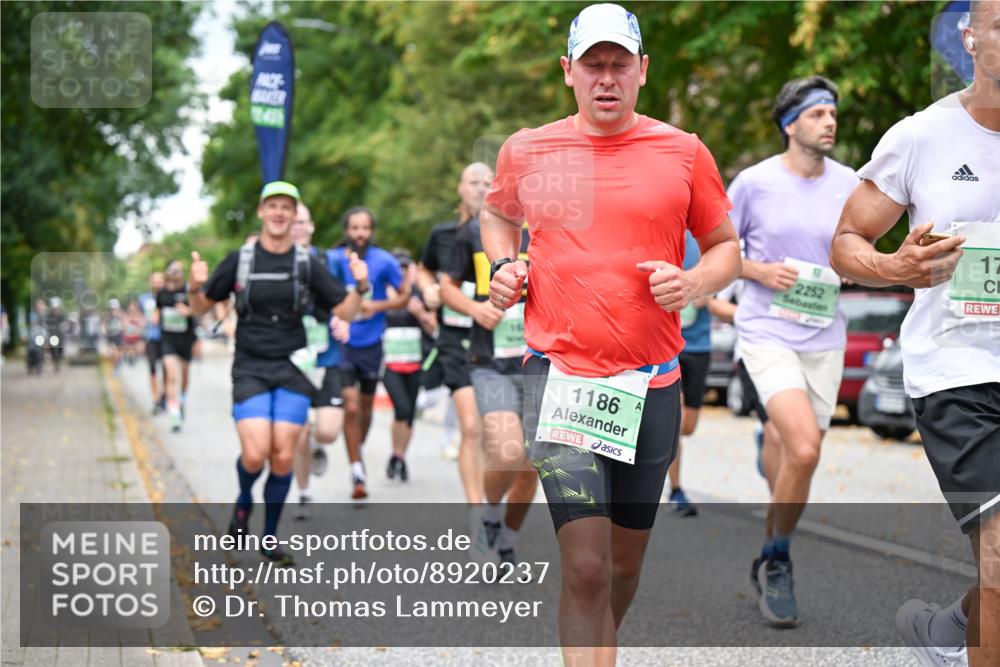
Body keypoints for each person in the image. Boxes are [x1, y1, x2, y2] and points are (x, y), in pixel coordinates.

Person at [482, 5, 740, 659]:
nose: (606, 77)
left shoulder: (684, 152)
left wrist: (694, 284)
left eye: (619, 64)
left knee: (623, 568)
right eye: (592, 64)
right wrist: (505, 266)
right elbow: (498, 216)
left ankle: (601, 643)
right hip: (560, 378)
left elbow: (725, 248)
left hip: (651, 384)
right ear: (567, 71)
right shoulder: (528, 149)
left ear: (642, 70)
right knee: (588, 566)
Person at [830, 2, 999, 662]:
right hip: (958, 372)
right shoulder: (922, 137)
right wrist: (894, 266)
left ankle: (951, 630)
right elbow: (847, 240)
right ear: (970, 38)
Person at [727, 74, 859, 627]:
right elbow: (718, 253)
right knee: (802, 449)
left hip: (825, 337)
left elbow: (863, 246)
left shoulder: (851, 183)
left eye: (833, 113)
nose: (830, 122)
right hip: (767, 331)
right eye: (817, 114)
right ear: (789, 124)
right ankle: (779, 561)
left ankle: (770, 547)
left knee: (803, 454)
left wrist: (854, 265)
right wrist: (759, 271)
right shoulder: (753, 183)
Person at [188, 181, 368, 565]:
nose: (279, 213)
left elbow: (346, 312)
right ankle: (243, 501)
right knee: (255, 454)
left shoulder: (306, 263)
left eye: (287, 207)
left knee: (283, 456)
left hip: (293, 367)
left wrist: (362, 286)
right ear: (261, 211)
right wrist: (193, 286)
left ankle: (269, 537)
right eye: (273, 206)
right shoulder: (241, 259)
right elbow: (201, 307)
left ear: (294, 214)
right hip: (250, 366)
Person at [442, 214, 538, 569]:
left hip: (542, 364)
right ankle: (490, 516)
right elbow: (447, 286)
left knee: (531, 468)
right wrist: (475, 308)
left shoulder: (555, 225)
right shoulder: (476, 229)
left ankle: (508, 540)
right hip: (491, 363)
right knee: (508, 450)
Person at [418, 163, 492, 530]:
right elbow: (424, 269)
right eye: (474, 182)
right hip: (455, 338)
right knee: (471, 426)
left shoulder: (506, 233)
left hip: (495, 340)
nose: (481, 188)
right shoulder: (443, 233)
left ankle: (492, 503)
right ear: (461, 189)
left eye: (488, 182)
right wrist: (429, 290)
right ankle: (477, 514)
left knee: (494, 432)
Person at [329, 207, 407, 500]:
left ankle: (356, 450)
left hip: (372, 344)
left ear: (371, 230)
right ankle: (357, 469)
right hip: (343, 342)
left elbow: (404, 295)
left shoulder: (384, 261)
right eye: (354, 228)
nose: (359, 233)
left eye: (365, 228)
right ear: (346, 230)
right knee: (350, 407)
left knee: (365, 408)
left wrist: (377, 306)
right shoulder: (334, 260)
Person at [289, 203, 351, 520]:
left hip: (326, 356)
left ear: (312, 226)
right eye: (294, 222)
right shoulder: (277, 262)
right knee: (297, 430)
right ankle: (304, 493)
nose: (298, 227)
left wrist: (345, 320)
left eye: (304, 222)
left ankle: (317, 443)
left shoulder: (331, 260)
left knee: (327, 431)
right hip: (292, 358)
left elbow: (349, 301)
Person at [664, 231, 712, 517]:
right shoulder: (658, 234)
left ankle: (652, 434)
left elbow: (725, 269)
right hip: (665, 343)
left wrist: (709, 290)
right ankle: (676, 489)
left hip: (698, 343)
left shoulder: (703, 237)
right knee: (675, 418)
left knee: (688, 426)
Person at [383, 249, 438, 481]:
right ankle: (396, 454)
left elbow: (433, 329)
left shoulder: (419, 294)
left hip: (415, 363)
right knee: (402, 409)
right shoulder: (382, 292)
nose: (402, 272)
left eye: (405, 267)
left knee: (409, 416)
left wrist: (421, 313)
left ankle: (399, 457)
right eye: (397, 267)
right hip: (389, 365)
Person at [157, 259, 198, 433]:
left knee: (184, 375)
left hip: (186, 340)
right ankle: (174, 414)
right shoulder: (161, 293)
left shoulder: (188, 291)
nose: (176, 274)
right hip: (168, 340)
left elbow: (199, 310)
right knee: (171, 375)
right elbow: (158, 311)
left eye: (179, 270)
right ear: (167, 272)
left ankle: (181, 400)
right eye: (173, 270)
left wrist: (188, 312)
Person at [139, 272, 166, 414]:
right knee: (153, 370)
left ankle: (164, 397)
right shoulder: (144, 299)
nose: (157, 284)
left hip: (167, 338)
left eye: (159, 281)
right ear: (150, 283)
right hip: (150, 338)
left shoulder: (168, 297)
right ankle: (156, 400)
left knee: (168, 370)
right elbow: (139, 318)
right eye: (155, 281)